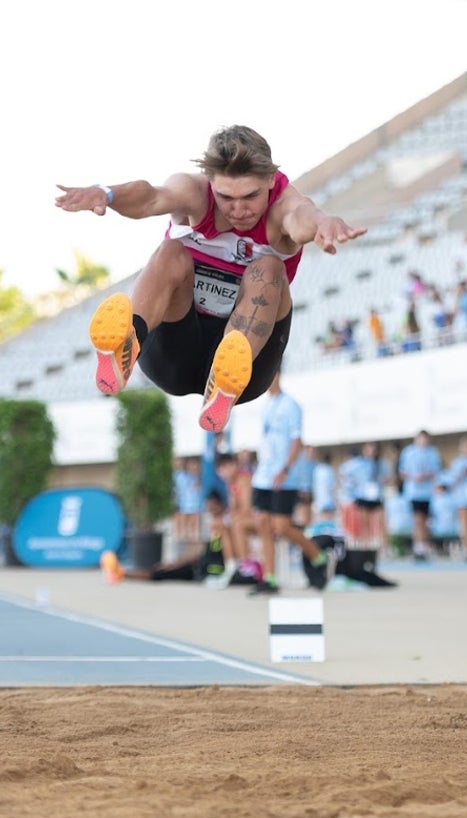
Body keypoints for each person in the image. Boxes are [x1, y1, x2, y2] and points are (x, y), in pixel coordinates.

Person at [56, 125, 366, 433]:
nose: (239, 209)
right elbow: (150, 197)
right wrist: (108, 194)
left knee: (270, 267)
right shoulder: (193, 193)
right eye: (226, 197)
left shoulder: (284, 207)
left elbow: (301, 218)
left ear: (271, 180)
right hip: (174, 353)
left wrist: (323, 223)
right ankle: (127, 342)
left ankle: (223, 383)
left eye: (250, 196)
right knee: (171, 251)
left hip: (247, 365)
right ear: (211, 183)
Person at [247, 371, 330, 595]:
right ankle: (270, 578)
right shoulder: (265, 405)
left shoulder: (291, 405)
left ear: (277, 375)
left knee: (281, 527)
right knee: (264, 525)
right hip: (262, 476)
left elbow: (297, 441)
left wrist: (285, 469)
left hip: (284, 476)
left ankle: (318, 556)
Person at [125, 491, 233, 583]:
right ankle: (128, 574)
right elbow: (202, 552)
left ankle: (127, 574)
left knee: (163, 572)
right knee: (164, 568)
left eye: (214, 508)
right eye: (209, 508)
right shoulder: (212, 526)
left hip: (207, 570)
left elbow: (212, 555)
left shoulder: (224, 527)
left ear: (221, 506)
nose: (211, 512)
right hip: (202, 566)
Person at [398, 430, 443, 561]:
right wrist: (413, 477)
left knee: (426, 520)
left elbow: (436, 471)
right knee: (417, 519)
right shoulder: (408, 452)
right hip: (414, 492)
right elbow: (402, 472)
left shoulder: (433, 452)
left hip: (427, 493)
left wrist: (426, 476)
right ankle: (419, 545)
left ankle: (425, 543)